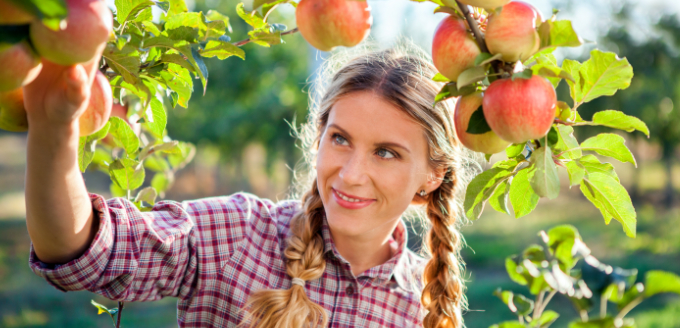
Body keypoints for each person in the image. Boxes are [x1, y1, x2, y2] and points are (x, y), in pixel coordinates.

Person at [25, 43, 475, 328]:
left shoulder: (422, 305)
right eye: (340, 139)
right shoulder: (240, 235)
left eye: (386, 152)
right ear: (318, 138)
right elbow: (84, 253)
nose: (352, 173)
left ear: (433, 174)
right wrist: (53, 129)